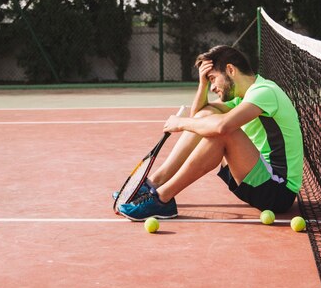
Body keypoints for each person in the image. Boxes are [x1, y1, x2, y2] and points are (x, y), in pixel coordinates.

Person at [117, 45, 304, 221]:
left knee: (223, 132)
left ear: (230, 70)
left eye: (213, 78)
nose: (213, 87)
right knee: (207, 117)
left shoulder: (264, 92)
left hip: (278, 190)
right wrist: (202, 84)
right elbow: (199, 114)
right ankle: (154, 183)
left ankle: (161, 199)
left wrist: (180, 123)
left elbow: (222, 127)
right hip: (257, 179)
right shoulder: (243, 98)